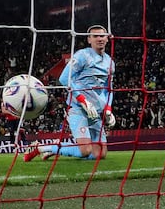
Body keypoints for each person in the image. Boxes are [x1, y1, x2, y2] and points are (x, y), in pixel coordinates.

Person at [25, 25, 116, 162]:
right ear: (89, 40)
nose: (99, 38)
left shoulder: (110, 62)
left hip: (95, 111)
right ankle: (42, 147)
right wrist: (82, 100)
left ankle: (58, 148)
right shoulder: (82, 56)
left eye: (102, 35)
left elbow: (109, 88)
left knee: (100, 154)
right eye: (95, 36)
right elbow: (63, 78)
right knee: (85, 150)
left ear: (107, 38)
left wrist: (108, 109)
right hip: (78, 108)